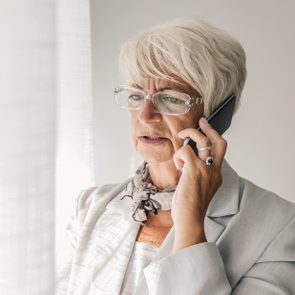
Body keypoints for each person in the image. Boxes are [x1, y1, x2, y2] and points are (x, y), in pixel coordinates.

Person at [55, 17, 295, 295]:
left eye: (171, 98)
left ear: (218, 114)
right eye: (135, 96)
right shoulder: (90, 206)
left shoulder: (279, 225)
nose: (145, 116)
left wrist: (191, 224)